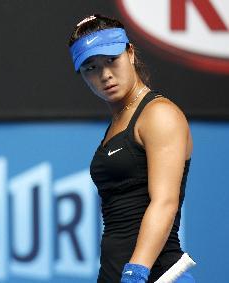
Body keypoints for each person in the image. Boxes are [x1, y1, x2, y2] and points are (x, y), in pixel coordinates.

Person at [68, 14, 195, 282]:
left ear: (130, 53)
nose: (105, 75)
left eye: (111, 60)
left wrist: (136, 272)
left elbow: (165, 202)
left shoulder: (159, 114)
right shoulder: (120, 119)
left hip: (156, 275)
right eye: (91, 68)